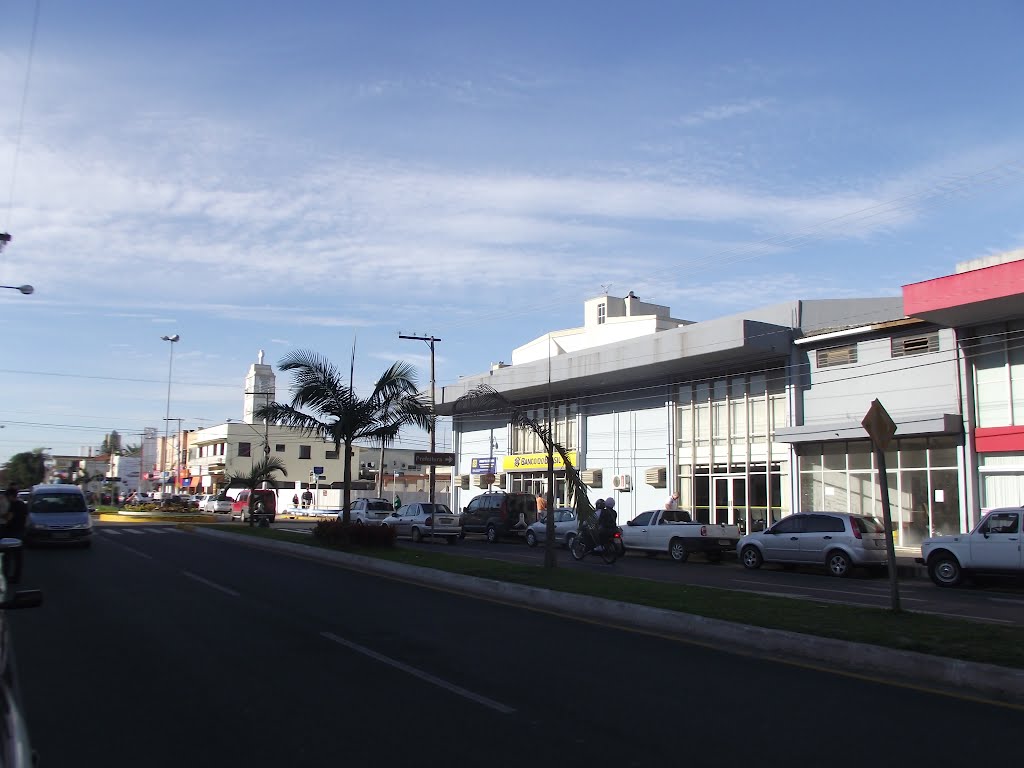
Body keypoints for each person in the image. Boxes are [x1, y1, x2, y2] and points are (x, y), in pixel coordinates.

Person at [2, 485, 27, 582]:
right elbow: (27, 519)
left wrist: (3, 516)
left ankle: (6, 576)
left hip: (11, 532)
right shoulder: (23, 505)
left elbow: (9, 518)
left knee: (7, 556)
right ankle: (17, 576)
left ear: (11, 496)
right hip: (20, 531)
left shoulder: (12, 505)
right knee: (18, 557)